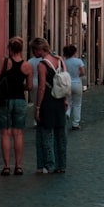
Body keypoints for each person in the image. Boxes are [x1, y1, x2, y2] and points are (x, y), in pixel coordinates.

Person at [0, 36, 33, 176]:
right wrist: (21, 86)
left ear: (9, 48)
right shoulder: (27, 65)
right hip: (20, 100)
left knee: (5, 134)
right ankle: (19, 166)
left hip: (4, 101)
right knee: (18, 133)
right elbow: (30, 86)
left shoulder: (4, 62)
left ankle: (7, 166)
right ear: (21, 49)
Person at [34, 40, 68, 174]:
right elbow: (64, 81)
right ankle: (61, 164)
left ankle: (48, 164)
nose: (33, 53)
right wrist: (65, 100)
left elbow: (42, 87)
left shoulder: (42, 65)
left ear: (40, 49)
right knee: (60, 134)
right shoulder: (60, 60)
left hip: (48, 100)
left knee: (46, 132)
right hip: (59, 99)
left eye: (34, 50)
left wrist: (37, 107)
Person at [62, 44, 86, 130]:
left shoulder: (64, 62)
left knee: (68, 102)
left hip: (67, 84)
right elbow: (83, 72)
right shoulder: (78, 61)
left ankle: (67, 114)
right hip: (77, 83)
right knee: (77, 104)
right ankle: (75, 123)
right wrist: (76, 75)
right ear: (74, 52)